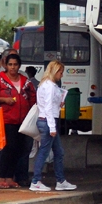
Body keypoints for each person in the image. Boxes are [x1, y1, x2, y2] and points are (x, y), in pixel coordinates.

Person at [0, 53, 37, 189]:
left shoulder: (25, 81)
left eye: (15, 65)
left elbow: (33, 98)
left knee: (18, 150)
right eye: (10, 64)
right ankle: (1, 178)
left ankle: (9, 178)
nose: (13, 67)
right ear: (5, 65)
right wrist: (4, 100)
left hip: (23, 121)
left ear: (19, 66)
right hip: (6, 120)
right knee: (7, 149)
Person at [29, 60, 77, 192]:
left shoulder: (44, 84)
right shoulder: (50, 86)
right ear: (55, 71)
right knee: (46, 151)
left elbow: (46, 104)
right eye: (60, 72)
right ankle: (37, 180)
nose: (62, 75)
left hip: (45, 120)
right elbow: (48, 107)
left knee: (57, 152)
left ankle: (60, 180)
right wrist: (52, 127)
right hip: (48, 121)